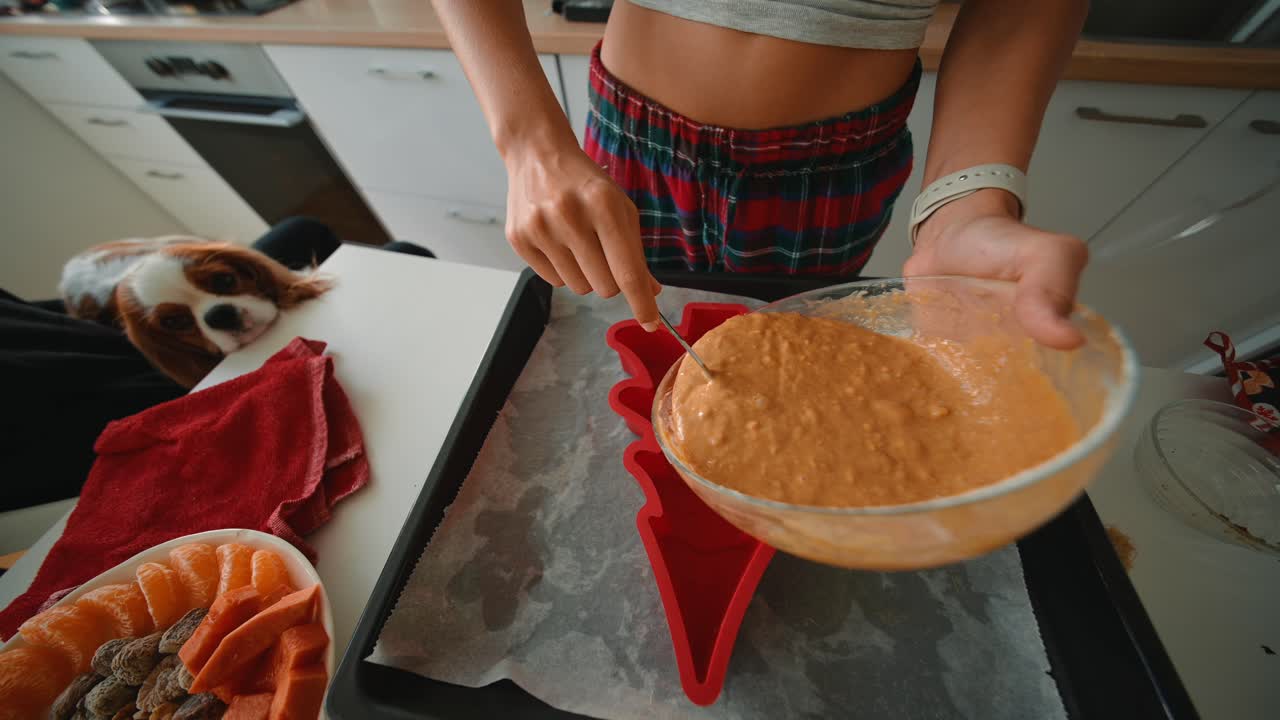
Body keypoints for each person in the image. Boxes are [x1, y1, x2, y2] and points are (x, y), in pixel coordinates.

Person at [431, 0, 1090, 349]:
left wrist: (964, 207)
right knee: (629, 343)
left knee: (792, 365)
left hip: (830, 177)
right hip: (629, 147)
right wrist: (529, 143)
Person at [0, 218, 432, 511]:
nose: (217, 311)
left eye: (222, 283)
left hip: (84, 322)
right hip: (134, 359)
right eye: (177, 320)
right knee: (402, 251)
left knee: (306, 229)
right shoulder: (158, 349)